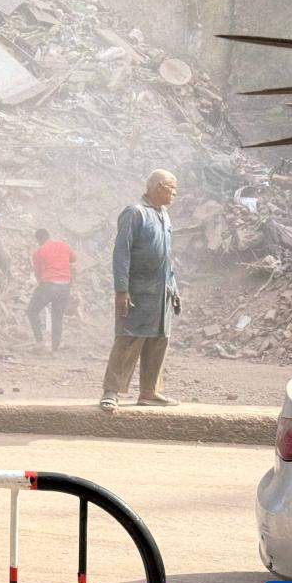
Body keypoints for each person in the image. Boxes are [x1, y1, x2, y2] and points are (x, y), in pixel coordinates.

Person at [99, 169, 182, 412]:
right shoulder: (135, 212)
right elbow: (121, 253)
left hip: (162, 292)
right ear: (158, 187)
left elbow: (167, 258)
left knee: (158, 341)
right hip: (138, 291)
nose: (175, 193)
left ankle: (149, 392)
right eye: (172, 187)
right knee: (128, 338)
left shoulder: (164, 215)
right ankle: (111, 391)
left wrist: (174, 289)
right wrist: (121, 290)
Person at [27, 229, 75, 353]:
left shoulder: (38, 252)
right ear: (49, 235)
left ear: (39, 240)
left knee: (32, 311)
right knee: (57, 318)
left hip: (48, 285)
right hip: (65, 286)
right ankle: (55, 349)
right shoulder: (64, 245)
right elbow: (73, 259)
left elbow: (38, 273)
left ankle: (40, 342)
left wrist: (42, 286)